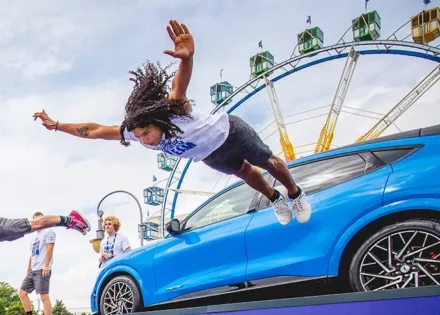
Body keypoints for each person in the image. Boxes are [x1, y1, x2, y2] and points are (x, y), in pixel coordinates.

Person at [33, 20, 311, 226]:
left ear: (157, 122)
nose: (145, 140)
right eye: (140, 136)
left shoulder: (173, 110)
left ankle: (295, 193)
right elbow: (93, 131)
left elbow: (181, 83)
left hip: (230, 133)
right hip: (209, 155)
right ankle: (275, 199)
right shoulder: (133, 131)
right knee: (248, 175)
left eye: (147, 133)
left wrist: (187, 59)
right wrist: (57, 125)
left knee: (268, 162)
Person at [16, 212, 57, 315]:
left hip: (42, 268)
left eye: (40, 220)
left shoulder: (48, 232)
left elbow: (50, 249)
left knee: (43, 295)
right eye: (35, 220)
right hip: (33, 269)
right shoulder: (34, 238)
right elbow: (32, 254)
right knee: (22, 292)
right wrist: (28, 269)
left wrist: (46, 265)